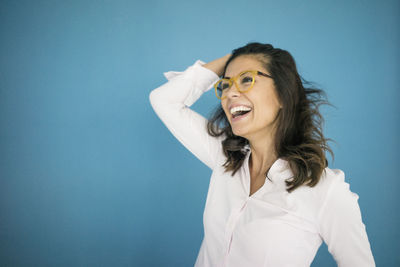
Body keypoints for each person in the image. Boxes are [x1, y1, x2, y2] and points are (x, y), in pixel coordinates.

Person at [149, 42, 375, 267]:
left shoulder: (324, 190)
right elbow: (163, 100)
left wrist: (235, 63)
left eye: (247, 79)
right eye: (225, 85)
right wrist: (231, 60)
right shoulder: (225, 157)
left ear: (283, 96)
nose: (230, 93)